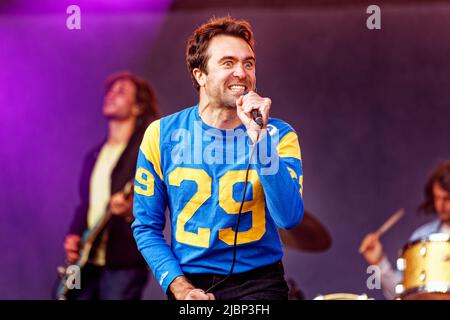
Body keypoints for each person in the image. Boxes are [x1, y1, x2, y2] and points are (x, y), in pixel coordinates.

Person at [132, 16, 304, 300]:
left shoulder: (279, 135)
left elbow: (289, 218)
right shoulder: (160, 135)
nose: (241, 72)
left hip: (260, 283)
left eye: (248, 63)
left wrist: (259, 138)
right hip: (189, 282)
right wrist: (179, 286)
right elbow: (146, 226)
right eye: (228, 63)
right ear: (200, 74)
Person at [63, 71, 160, 299]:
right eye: (111, 90)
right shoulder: (94, 155)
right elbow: (85, 205)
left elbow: (157, 204)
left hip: (123, 263)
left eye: (121, 92)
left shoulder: (145, 154)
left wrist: (130, 211)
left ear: (137, 107)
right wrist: (74, 235)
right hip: (86, 262)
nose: (111, 95)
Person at [359, 160, 450, 299]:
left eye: (447, 198)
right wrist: (379, 263)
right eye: (437, 198)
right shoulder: (422, 237)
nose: (441, 205)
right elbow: (401, 293)